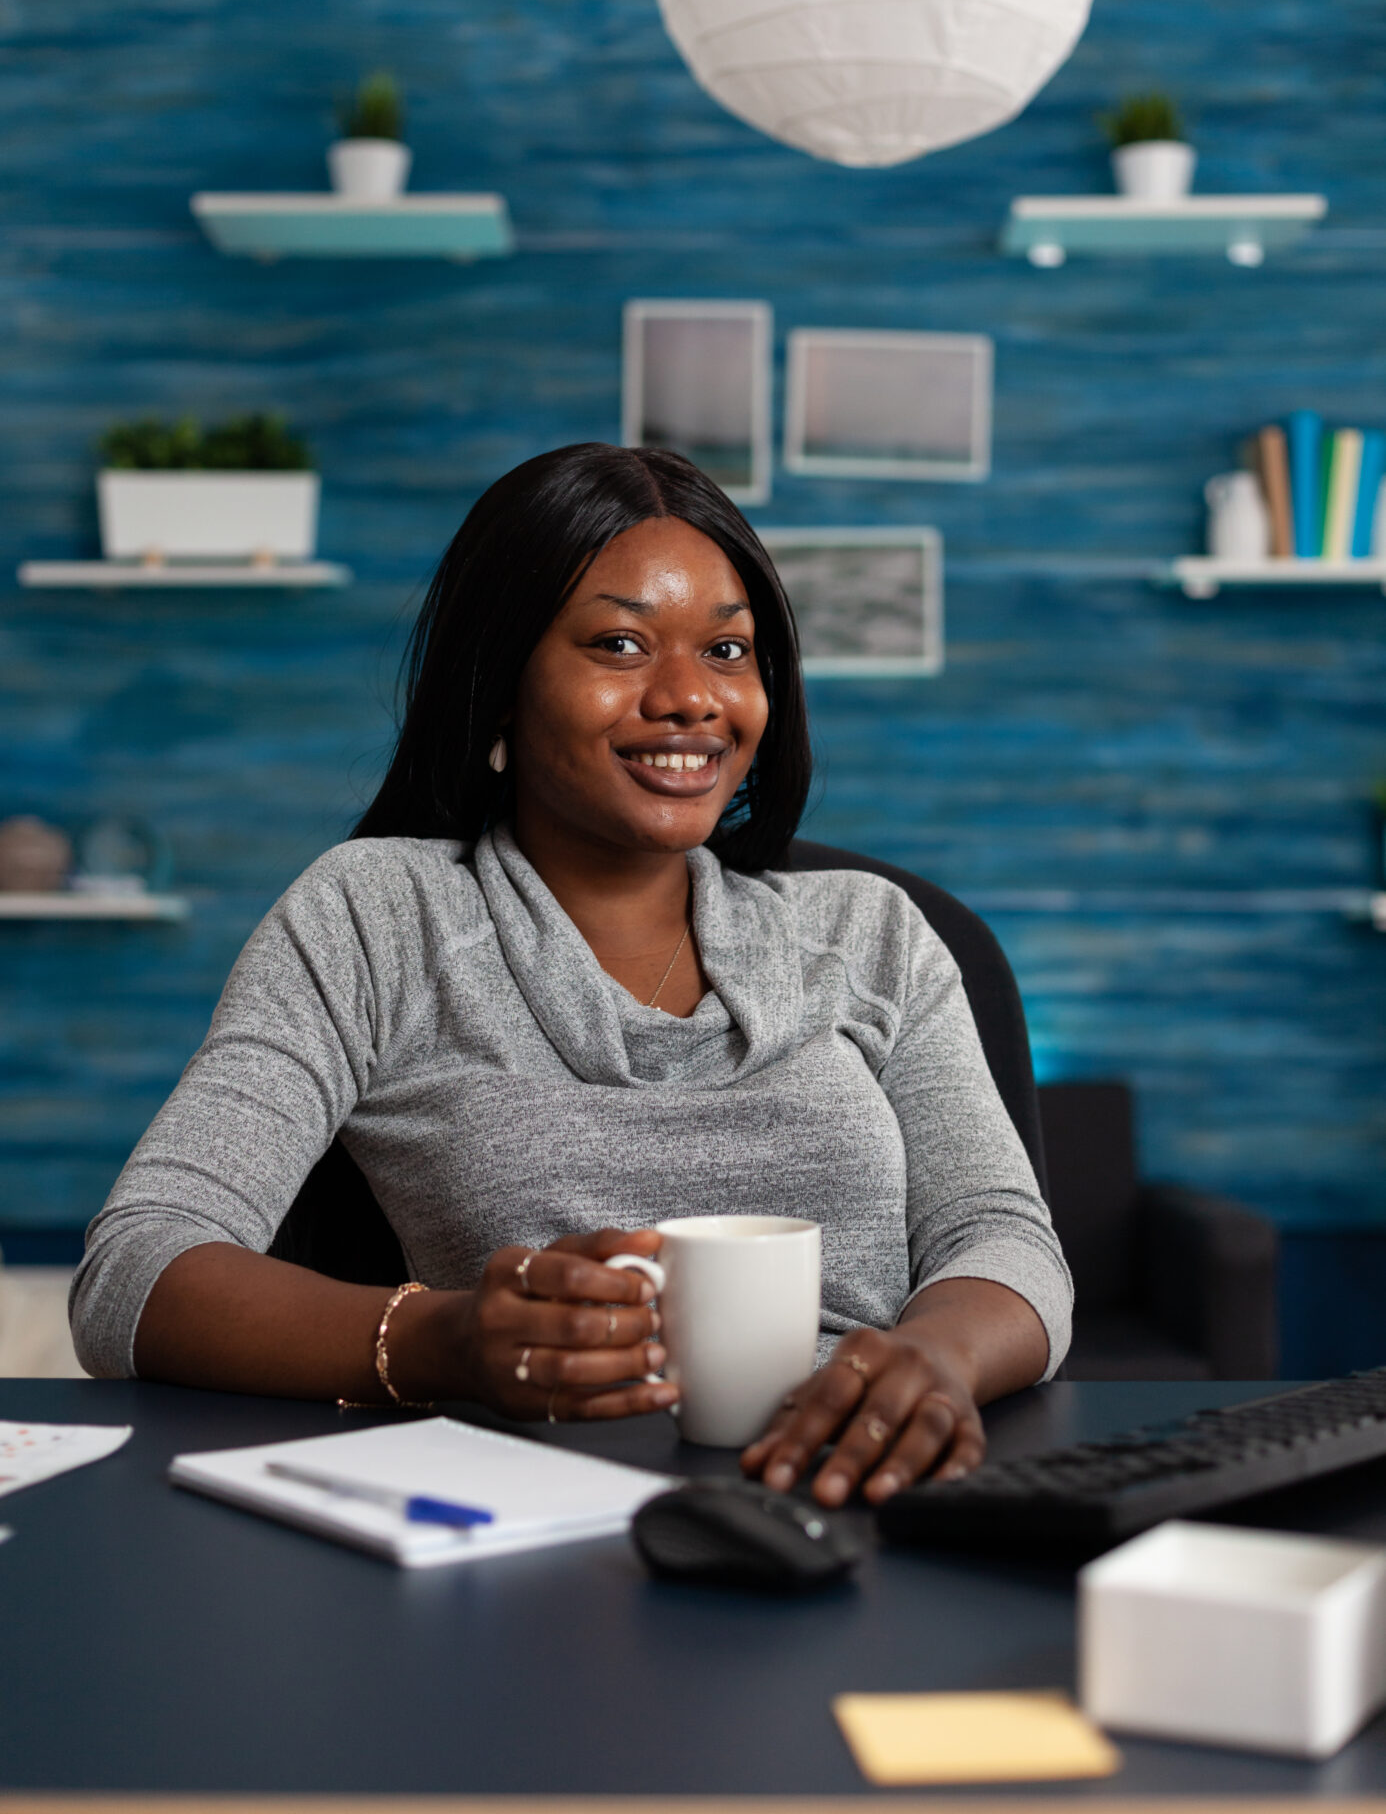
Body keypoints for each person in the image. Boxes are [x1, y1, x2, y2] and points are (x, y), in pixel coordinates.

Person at [70, 442, 1070, 1507]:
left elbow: (1004, 1238)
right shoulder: (377, 915)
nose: (690, 696)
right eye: (621, 642)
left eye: (728, 650)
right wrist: (442, 1338)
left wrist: (938, 1359)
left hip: (864, 1491)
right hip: (520, 1517)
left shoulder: (871, 934)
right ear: (499, 687)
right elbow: (135, 1266)